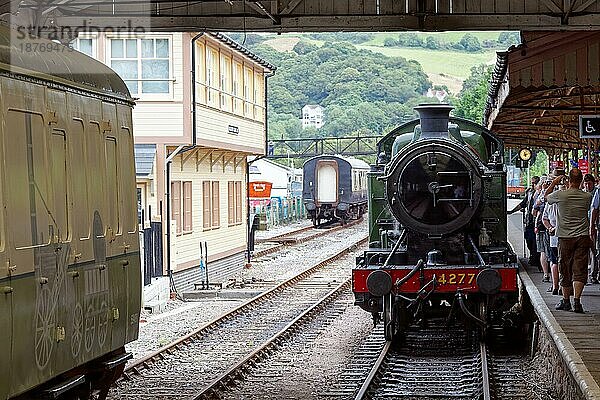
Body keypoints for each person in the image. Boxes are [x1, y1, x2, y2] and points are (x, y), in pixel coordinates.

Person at [545, 168, 593, 313]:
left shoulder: (561, 195)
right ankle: (577, 301)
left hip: (565, 237)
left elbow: (546, 197)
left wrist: (554, 182)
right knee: (580, 269)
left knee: (565, 268)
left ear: (569, 180)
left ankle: (566, 301)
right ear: (581, 181)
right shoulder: (587, 197)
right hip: (583, 236)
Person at [508, 175, 541, 268]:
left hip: (536, 222)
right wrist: (512, 211)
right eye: (532, 182)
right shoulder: (530, 193)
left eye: (534, 183)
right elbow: (522, 204)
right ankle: (532, 255)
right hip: (529, 221)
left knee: (535, 242)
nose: (532, 184)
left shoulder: (540, 194)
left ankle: (535, 259)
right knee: (529, 240)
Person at [584, 174, 599, 283]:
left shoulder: (597, 192)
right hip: (585, 224)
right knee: (585, 251)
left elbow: (594, 209)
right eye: (585, 183)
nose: (587, 185)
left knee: (594, 250)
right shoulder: (582, 194)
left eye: (589, 183)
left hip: (593, 225)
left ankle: (594, 274)